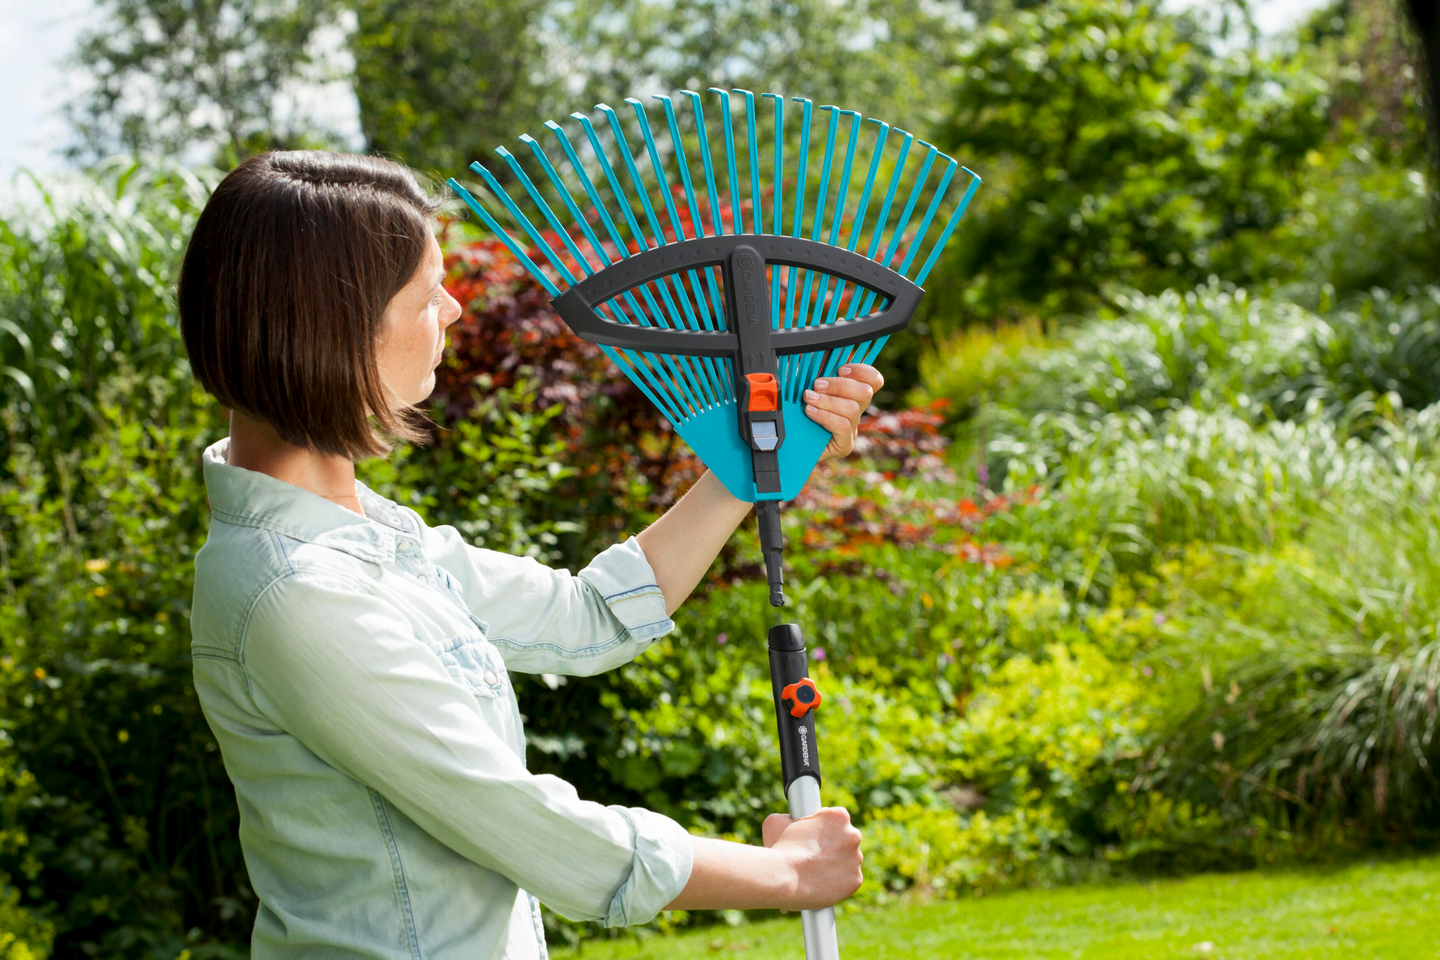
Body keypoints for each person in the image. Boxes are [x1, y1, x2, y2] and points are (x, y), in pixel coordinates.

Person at [180, 150, 878, 960]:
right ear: (332, 327)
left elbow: (587, 617)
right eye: (424, 292)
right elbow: (536, 831)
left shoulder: (365, 538)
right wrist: (785, 874)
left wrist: (758, 460)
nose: (452, 307)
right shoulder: (298, 593)